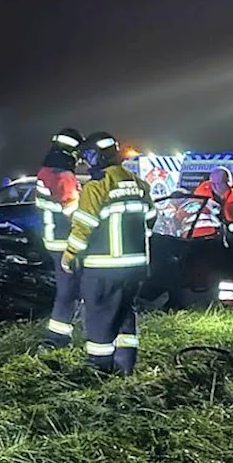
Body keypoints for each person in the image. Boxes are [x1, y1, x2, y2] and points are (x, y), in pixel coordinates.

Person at [61, 132, 155, 375]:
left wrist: (69, 255)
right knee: (125, 315)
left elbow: (83, 226)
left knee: (100, 317)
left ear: (97, 156)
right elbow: (152, 219)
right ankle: (126, 367)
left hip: (104, 268)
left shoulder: (97, 187)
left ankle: (99, 370)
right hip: (135, 269)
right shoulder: (138, 183)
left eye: (88, 157)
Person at [36, 127, 83, 348]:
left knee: (68, 289)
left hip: (52, 238)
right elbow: (73, 213)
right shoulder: (64, 177)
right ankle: (58, 338)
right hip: (65, 241)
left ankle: (65, 331)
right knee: (69, 291)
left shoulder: (46, 172)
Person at [191, 166, 233, 304]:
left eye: (218, 184)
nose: (214, 186)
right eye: (212, 183)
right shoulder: (203, 188)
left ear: (229, 183)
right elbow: (193, 207)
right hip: (208, 236)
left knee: (228, 266)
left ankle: (229, 299)